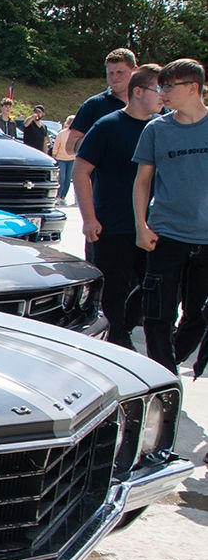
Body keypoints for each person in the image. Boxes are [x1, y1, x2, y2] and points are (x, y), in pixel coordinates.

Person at [74, 64, 161, 349]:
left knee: (154, 287)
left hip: (152, 225)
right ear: (139, 91)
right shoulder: (109, 125)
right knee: (112, 293)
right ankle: (116, 343)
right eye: (159, 89)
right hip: (112, 224)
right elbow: (80, 170)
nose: (164, 96)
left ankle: (125, 329)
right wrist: (88, 218)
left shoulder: (161, 127)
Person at [133, 58, 208, 372]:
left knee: (197, 314)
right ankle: (162, 375)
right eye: (159, 86)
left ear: (193, 88)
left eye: (168, 86)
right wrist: (141, 224)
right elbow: (143, 180)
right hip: (166, 234)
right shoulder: (156, 129)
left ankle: (174, 357)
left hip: (205, 239)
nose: (161, 93)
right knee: (157, 313)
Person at [62, 48, 138, 157]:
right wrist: (99, 142)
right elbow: (70, 147)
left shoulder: (147, 102)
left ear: (135, 70)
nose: (114, 77)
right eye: (110, 73)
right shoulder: (93, 104)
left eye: (120, 72)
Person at [54, 114, 77, 205]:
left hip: (72, 159)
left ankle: (63, 196)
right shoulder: (61, 133)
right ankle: (58, 195)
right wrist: (54, 155)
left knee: (68, 179)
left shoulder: (76, 134)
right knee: (62, 177)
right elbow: (56, 144)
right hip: (61, 158)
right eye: (70, 122)